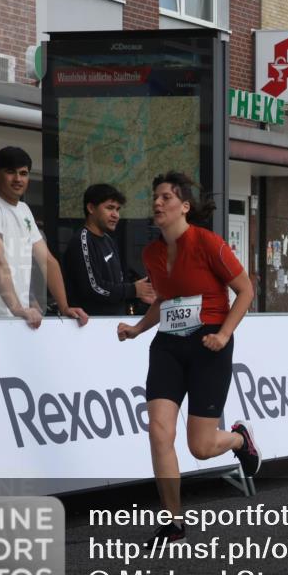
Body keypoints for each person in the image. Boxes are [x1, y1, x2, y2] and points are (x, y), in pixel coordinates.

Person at [117, 171, 260, 542]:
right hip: (167, 346)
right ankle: (173, 520)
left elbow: (245, 291)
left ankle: (240, 440)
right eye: (155, 197)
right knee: (159, 432)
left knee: (200, 445)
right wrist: (137, 329)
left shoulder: (208, 243)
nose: (158, 203)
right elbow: (164, 301)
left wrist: (224, 333)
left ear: (184, 207)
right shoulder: (152, 252)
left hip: (208, 344)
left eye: (166, 197)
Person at [0, 146, 88, 329]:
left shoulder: (24, 210)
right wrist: (18, 308)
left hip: (18, 316)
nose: (18, 179)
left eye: (23, 173)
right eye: (11, 172)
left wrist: (64, 307)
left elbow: (47, 260)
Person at [63, 183, 156, 315]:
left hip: (114, 324)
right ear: (90, 208)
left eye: (118, 209)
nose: (116, 215)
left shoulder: (109, 240)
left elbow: (116, 286)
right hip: (89, 327)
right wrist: (133, 290)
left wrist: (138, 294)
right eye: (110, 208)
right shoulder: (81, 241)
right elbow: (94, 288)